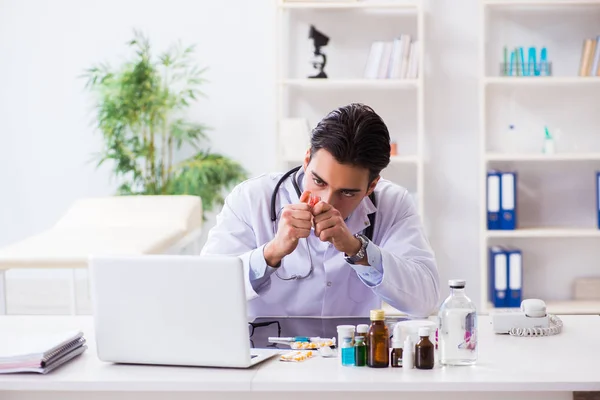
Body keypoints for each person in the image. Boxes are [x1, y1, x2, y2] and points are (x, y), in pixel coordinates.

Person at [201, 103, 439, 318]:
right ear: (306, 160)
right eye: (319, 181)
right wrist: (271, 253)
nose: (327, 202)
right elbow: (208, 289)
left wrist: (358, 250)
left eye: (347, 193)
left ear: (371, 186)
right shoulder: (252, 198)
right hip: (268, 357)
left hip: (350, 357)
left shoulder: (393, 203)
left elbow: (424, 301)